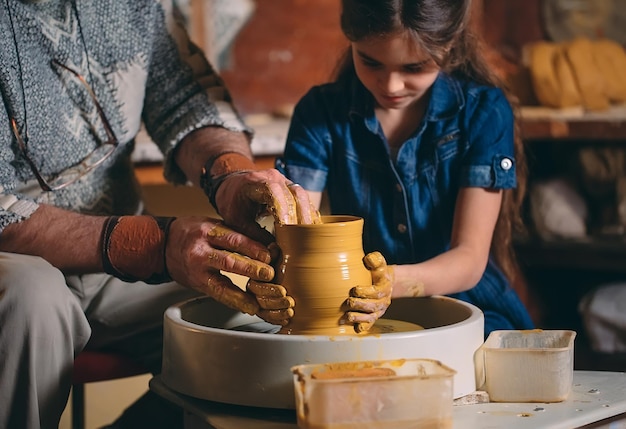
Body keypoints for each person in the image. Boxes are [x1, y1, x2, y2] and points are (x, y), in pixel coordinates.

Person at [0, 0, 324, 428]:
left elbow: (186, 99)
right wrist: (156, 245)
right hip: (18, 266)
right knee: (33, 298)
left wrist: (231, 176)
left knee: (261, 318)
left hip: (111, 258)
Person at [276, 0, 536, 337]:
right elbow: (298, 232)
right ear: (351, 38)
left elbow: (469, 259)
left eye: (414, 68)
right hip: (351, 305)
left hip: (466, 300)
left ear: (450, 45)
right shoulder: (321, 112)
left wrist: (386, 284)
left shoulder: (483, 112)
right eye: (371, 62)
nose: (391, 85)